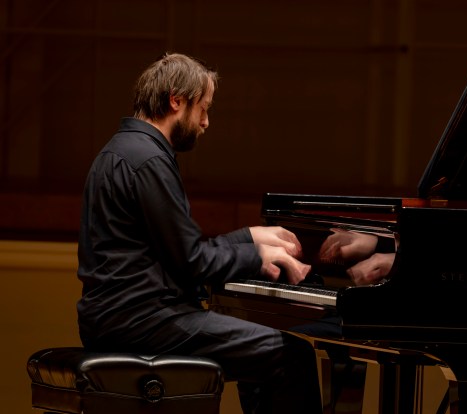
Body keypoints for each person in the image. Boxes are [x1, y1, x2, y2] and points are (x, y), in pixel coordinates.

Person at [76, 52, 323, 414]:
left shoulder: (117, 151)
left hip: (116, 319)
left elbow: (176, 250)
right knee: (291, 355)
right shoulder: (150, 161)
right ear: (176, 100)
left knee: (261, 357)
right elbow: (192, 262)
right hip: (144, 322)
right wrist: (257, 256)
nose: (206, 122)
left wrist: (248, 237)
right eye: (203, 109)